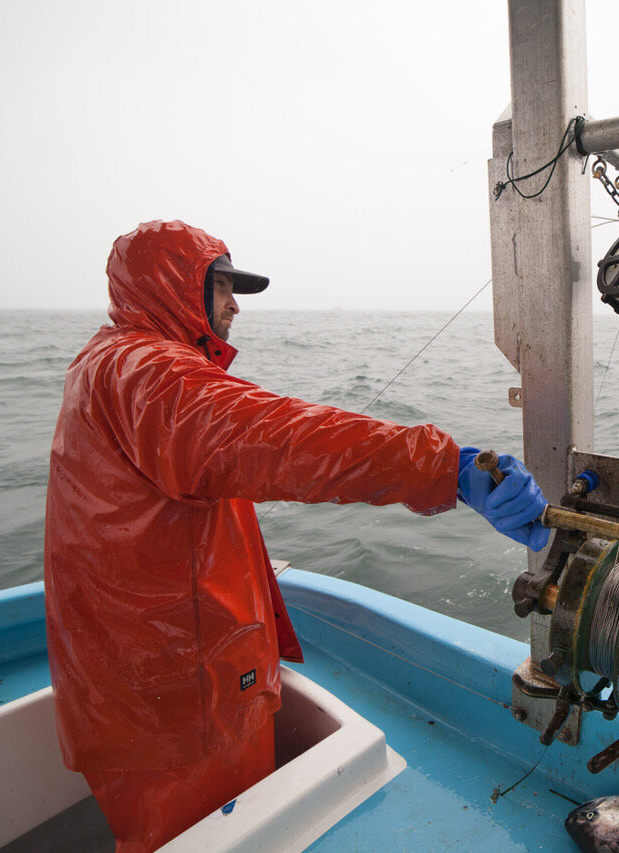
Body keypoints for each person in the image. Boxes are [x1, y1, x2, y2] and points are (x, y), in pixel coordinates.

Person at [43, 219, 550, 851]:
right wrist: (446, 469)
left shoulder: (104, 361)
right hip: (177, 701)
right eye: (221, 286)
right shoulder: (149, 374)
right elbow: (279, 439)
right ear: (173, 288)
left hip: (136, 683)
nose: (235, 306)